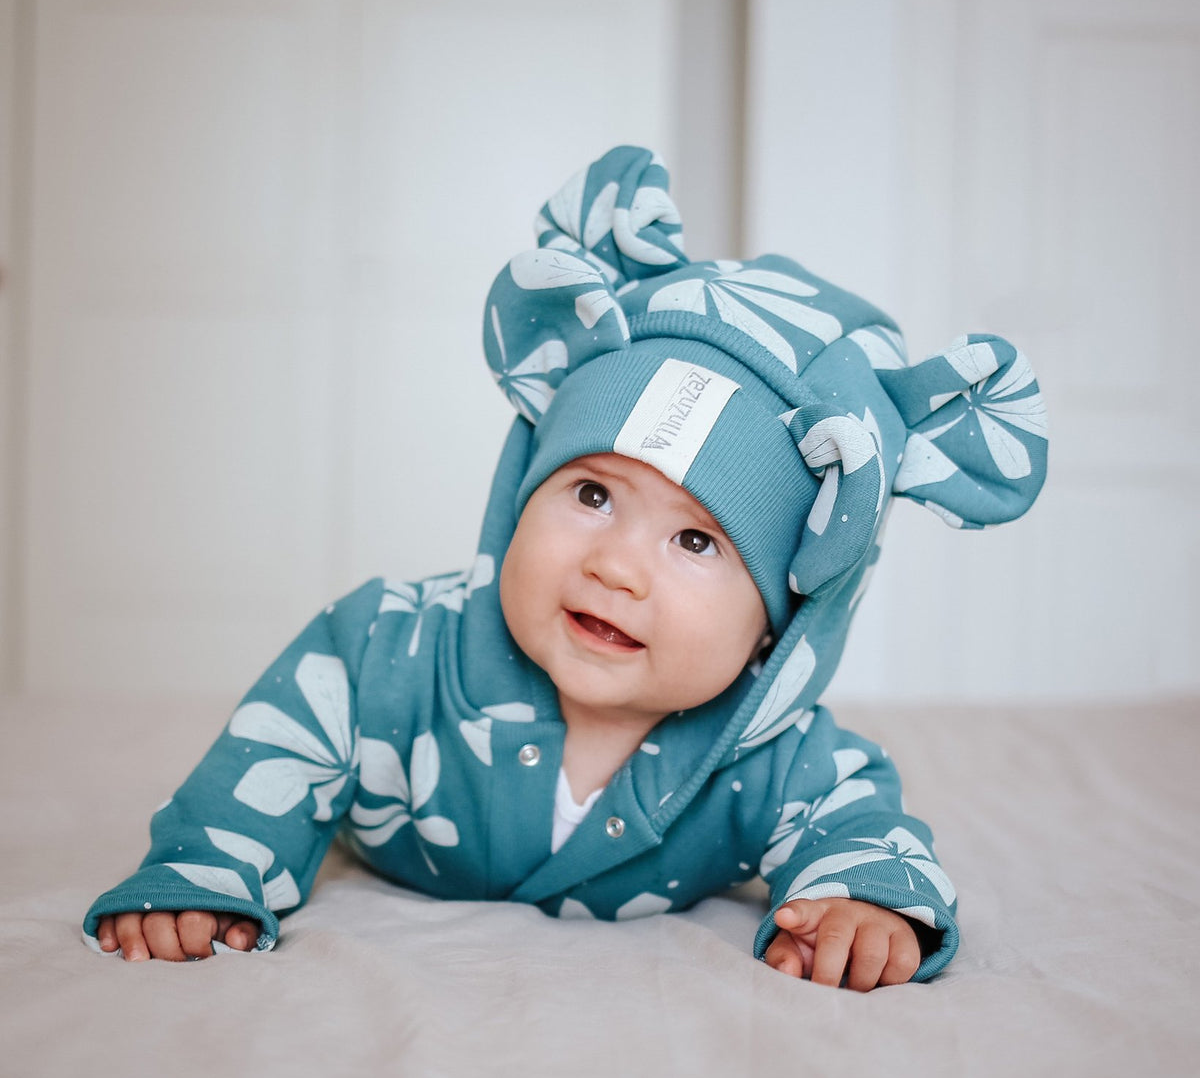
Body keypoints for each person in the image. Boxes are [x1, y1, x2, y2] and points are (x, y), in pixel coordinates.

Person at [82, 146, 1047, 988]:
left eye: (698, 541)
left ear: (784, 619)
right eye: (591, 495)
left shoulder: (771, 754)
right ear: (520, 495)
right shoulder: (386, 648)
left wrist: (863, 905)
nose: (618, 566)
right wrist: (206, 877)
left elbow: (858, 825)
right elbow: (272, 758)